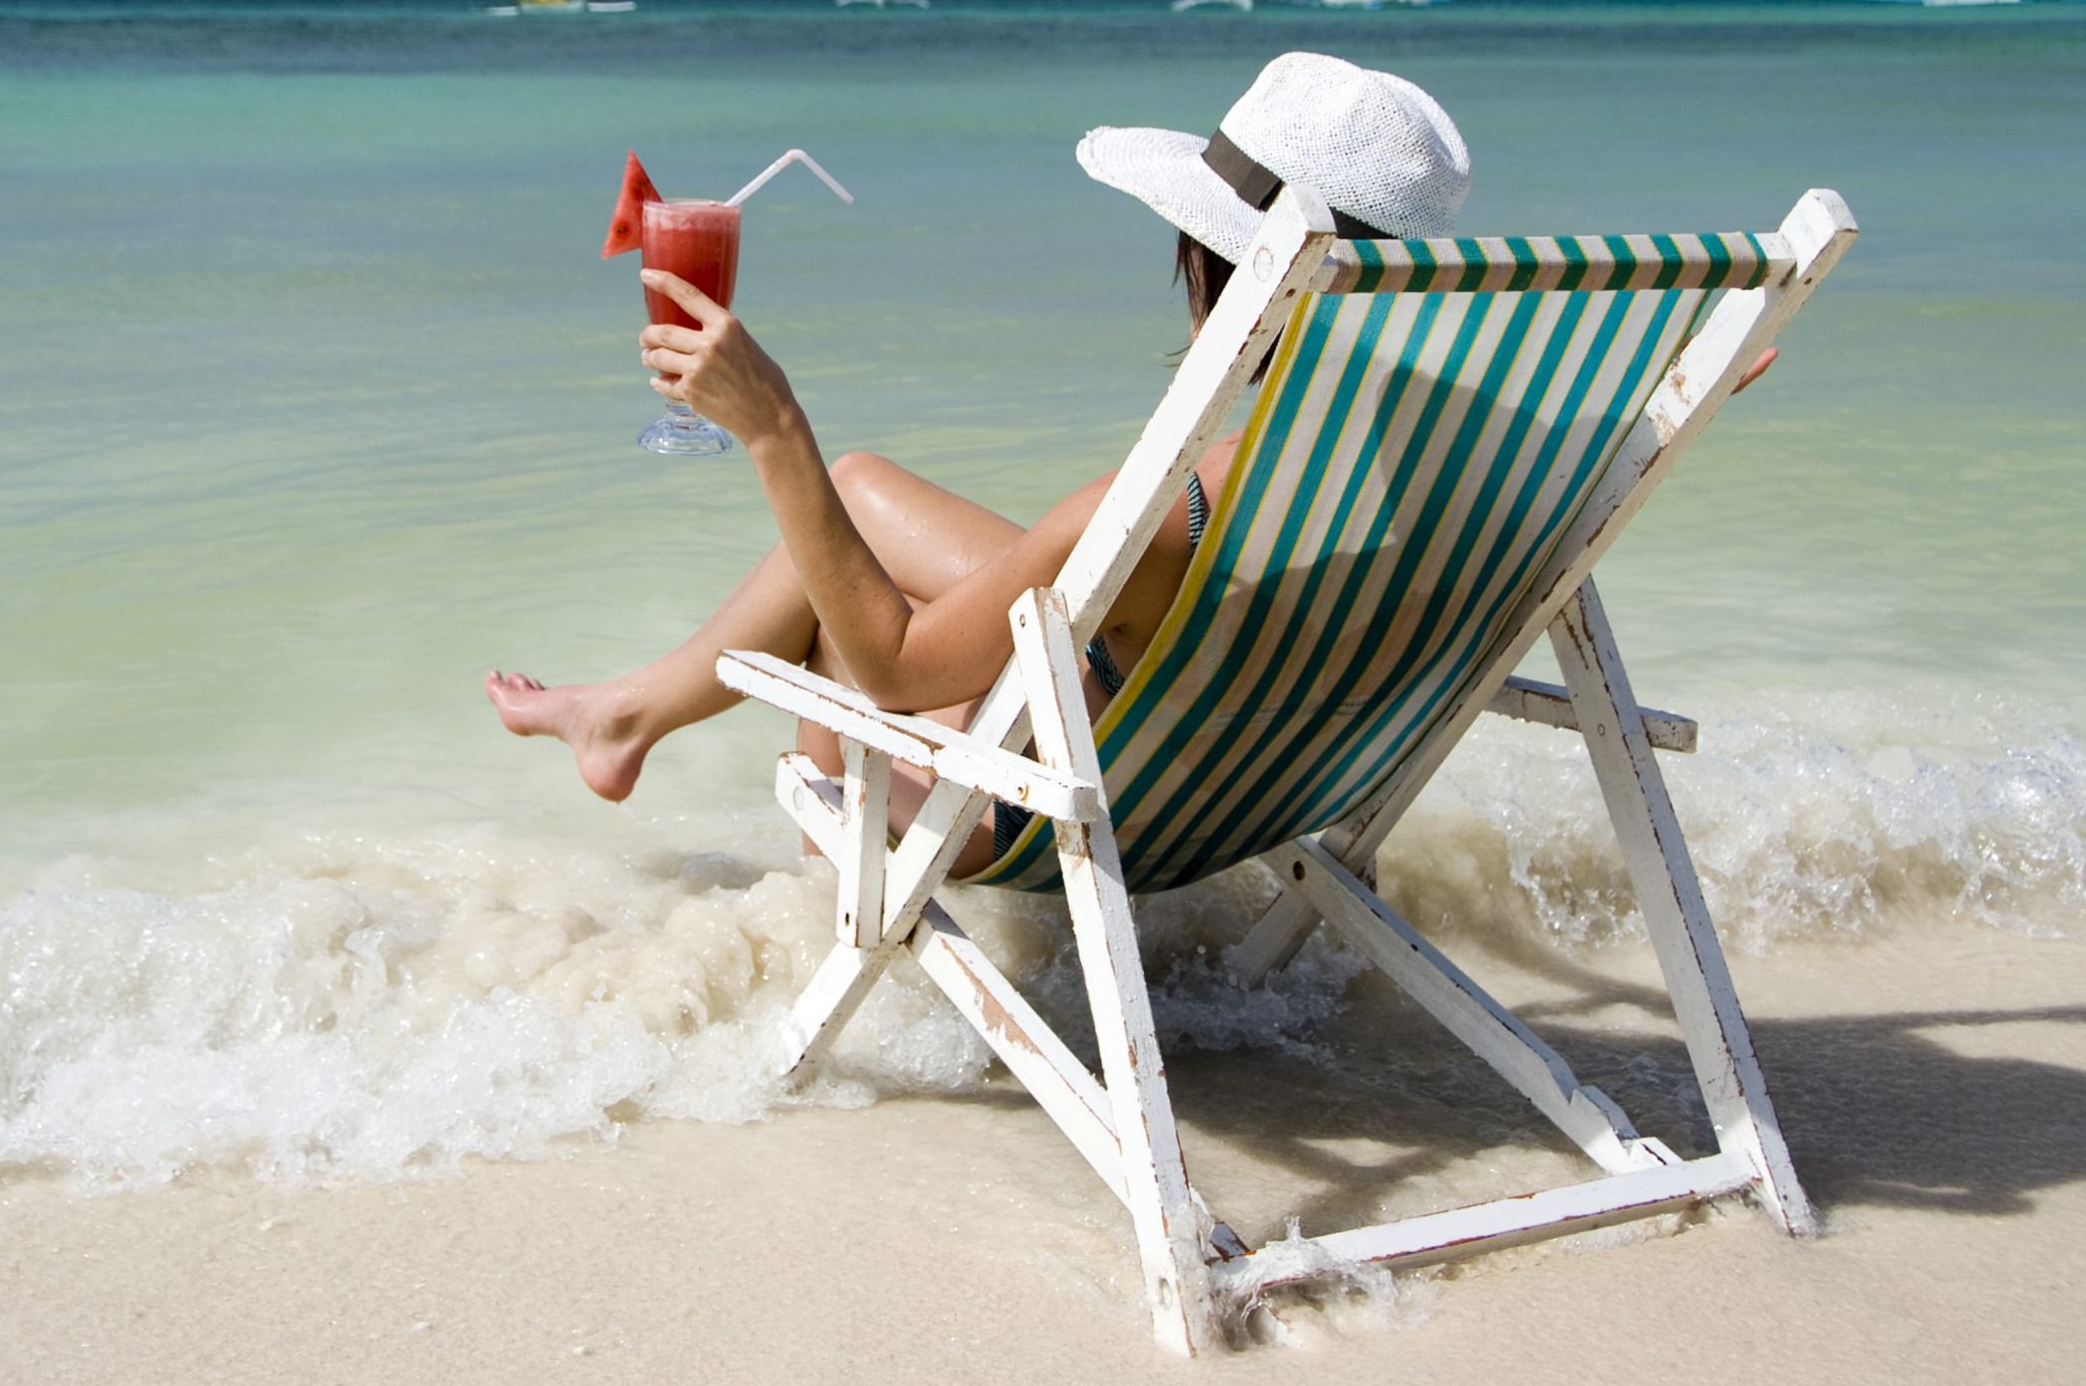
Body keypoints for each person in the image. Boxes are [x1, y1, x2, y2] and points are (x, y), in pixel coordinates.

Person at [491, 51, 1643, 878]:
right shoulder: (1509, 463)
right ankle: (628, 712)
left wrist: (770, 423)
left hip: (1091, 810)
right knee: (860, 490)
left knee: (831, 620)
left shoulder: (1165, 513)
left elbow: (894, 672)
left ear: (1211, 263)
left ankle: (662, 755)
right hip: (1248, 776)